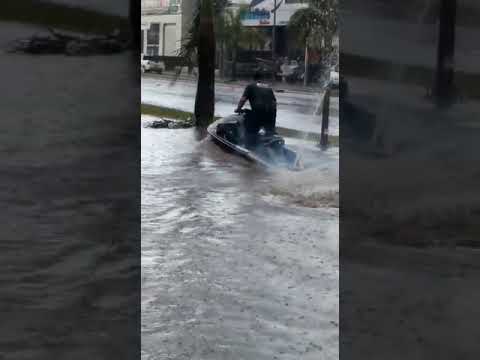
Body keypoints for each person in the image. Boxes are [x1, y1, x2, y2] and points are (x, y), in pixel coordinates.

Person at [235, 72, 277, 146]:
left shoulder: (250, 86)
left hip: (258, 112)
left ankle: (249, 147)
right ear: (262, 79)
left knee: (250, 132)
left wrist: (238, 108)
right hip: (272, 112)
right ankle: (272, 146)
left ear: (253, 79)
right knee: (270, 133)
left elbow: (243, 99)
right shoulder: (268, 87)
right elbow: (274, 102)